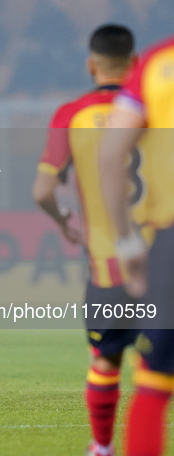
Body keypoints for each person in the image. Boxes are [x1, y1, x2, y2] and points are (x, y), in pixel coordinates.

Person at [32, 24, 148, 456]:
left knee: (106, 362)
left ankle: (102, 448)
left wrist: (63, 219)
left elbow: (42, 191)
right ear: (135, 64)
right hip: (162, 260)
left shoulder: (72, 114)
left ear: (91, 65)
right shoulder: (155, 108)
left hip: (109, 268)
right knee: (160, 370)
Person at [100, 33, 174, 456]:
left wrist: (127, 243)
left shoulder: (156, 63)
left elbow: (111, 156)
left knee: (155, 381)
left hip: (171, 238)